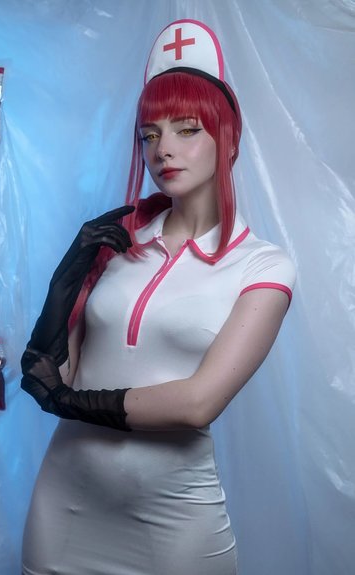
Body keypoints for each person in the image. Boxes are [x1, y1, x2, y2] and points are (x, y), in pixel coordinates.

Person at [20, 19, 296, 575]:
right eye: (149, 135)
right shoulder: (116, 241)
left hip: (174, 526)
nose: (163, 149)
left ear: (228, 137)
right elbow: (56, 373)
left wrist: (73, 405)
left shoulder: (264, 265)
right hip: (64, 508)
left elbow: (197, 404)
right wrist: (65, 281)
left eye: (186, 129)